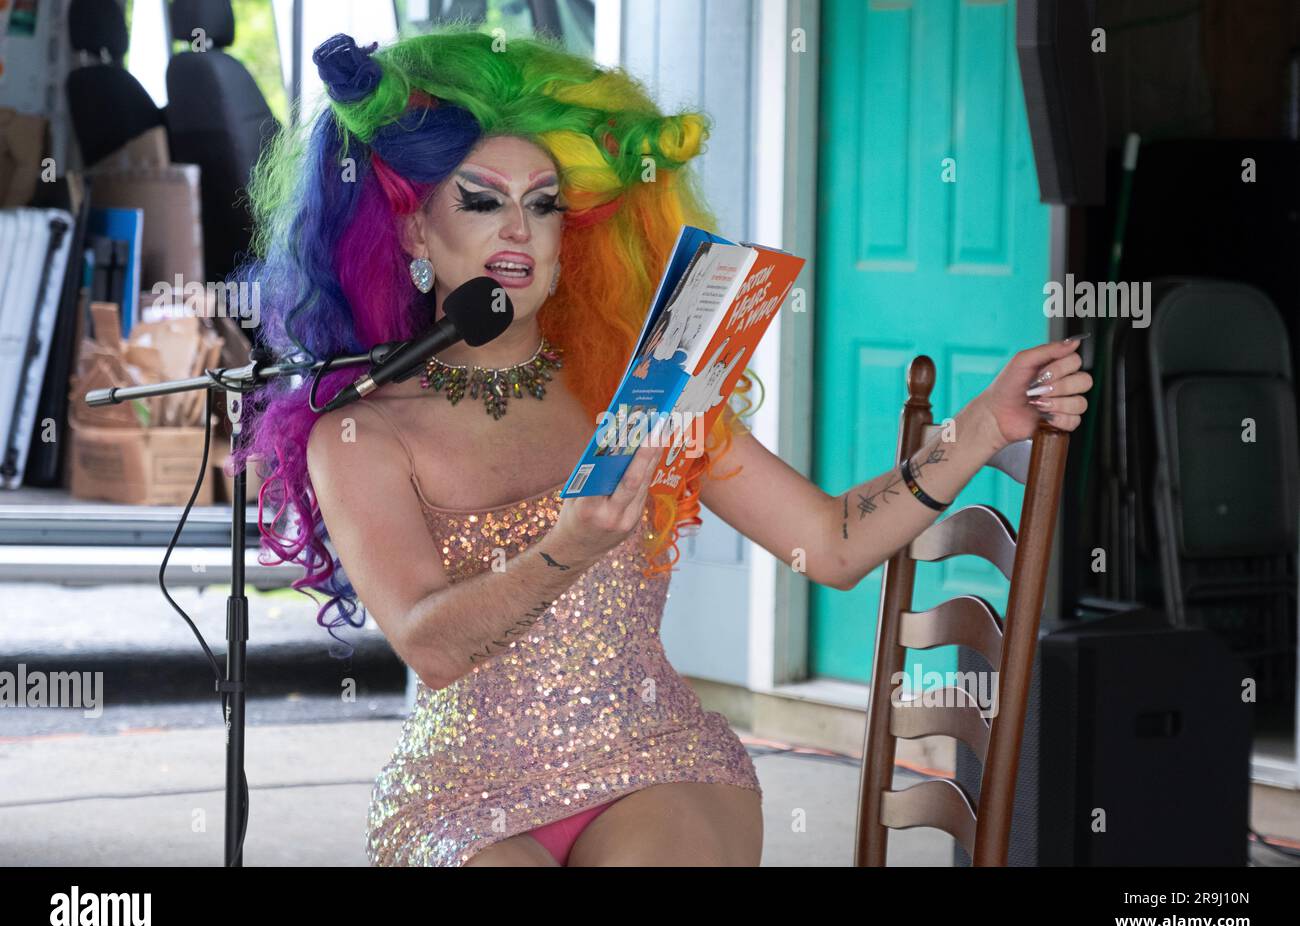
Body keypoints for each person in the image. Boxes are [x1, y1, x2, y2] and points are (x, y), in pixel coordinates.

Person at [230, 26, 1092, 867]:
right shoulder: (359, 432)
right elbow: (430, 645)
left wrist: (982, 424)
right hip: (464, 794)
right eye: (482, 200)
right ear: (414, 231)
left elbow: (831, 544)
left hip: (656, 764)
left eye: (544, 205)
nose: (518, 232)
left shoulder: (638, 389)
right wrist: (565, 549)